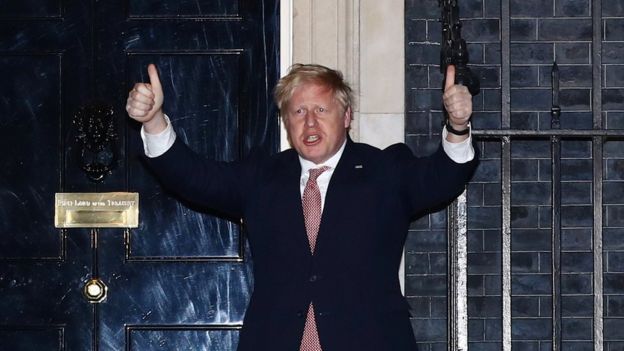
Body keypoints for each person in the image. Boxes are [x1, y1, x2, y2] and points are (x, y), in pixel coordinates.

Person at [126, 63, 478, 351]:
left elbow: (442, 177)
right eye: (298, 112)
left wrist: (458, 127)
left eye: (321, 110)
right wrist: (154, 122)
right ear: (286, 122)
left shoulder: (385, 171)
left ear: (346, 117)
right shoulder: (262, 177)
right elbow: (193, 178)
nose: (309, 123)